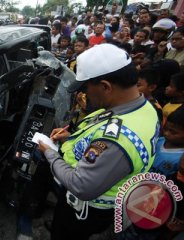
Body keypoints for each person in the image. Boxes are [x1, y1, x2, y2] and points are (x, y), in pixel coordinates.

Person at [37, 43, 159, 240]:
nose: (83, 94)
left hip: (85, 210)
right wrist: (72, 138)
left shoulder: (119, 139)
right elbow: (102, 137)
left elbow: (81, 185)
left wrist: (49, 153)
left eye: (86, 87)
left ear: (105, 86)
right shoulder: (143, 108)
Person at [150, 107, 184, 176]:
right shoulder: (159, 140)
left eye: (173, 132)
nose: (166, 133)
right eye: (165, 128)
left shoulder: (180, 159)